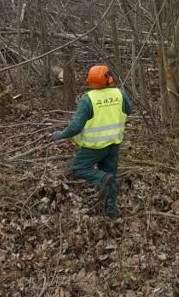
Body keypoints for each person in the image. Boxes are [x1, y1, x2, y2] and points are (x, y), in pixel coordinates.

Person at [52, 65, 131, 218]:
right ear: (108, 78)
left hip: (94, 146)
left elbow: (75, 127)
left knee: (78, 168)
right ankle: (111, 211)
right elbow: (129, 110)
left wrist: (61, 134)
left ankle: (101, 178)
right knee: (111, 175)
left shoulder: (88, 100)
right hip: (114, 142)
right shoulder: (119, 94)